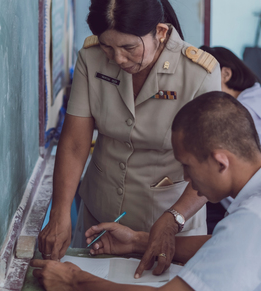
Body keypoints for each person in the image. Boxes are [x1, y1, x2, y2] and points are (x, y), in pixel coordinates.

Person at [31, 91, 261, 291]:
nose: (187, 178)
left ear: (220, 162)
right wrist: (139, 242)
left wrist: (74, 281)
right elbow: (227, 249)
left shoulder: (258, 217)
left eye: (188, 166)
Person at [38, 0, 221, 265]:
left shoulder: (199, 73)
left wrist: (173, 220)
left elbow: (209, 167)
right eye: (107, 46)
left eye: (129, 47)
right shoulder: (91, 58)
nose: (118, 58)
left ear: (160, 31)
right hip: (99, 213)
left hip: (167, 219)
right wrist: (60, 211)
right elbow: (76, 142)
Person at [199, 46, 261, 233]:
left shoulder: (241, 111)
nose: (196, 84)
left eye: (202, 76)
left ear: (225, 74)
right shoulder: (260, 96)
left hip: (259, 204)